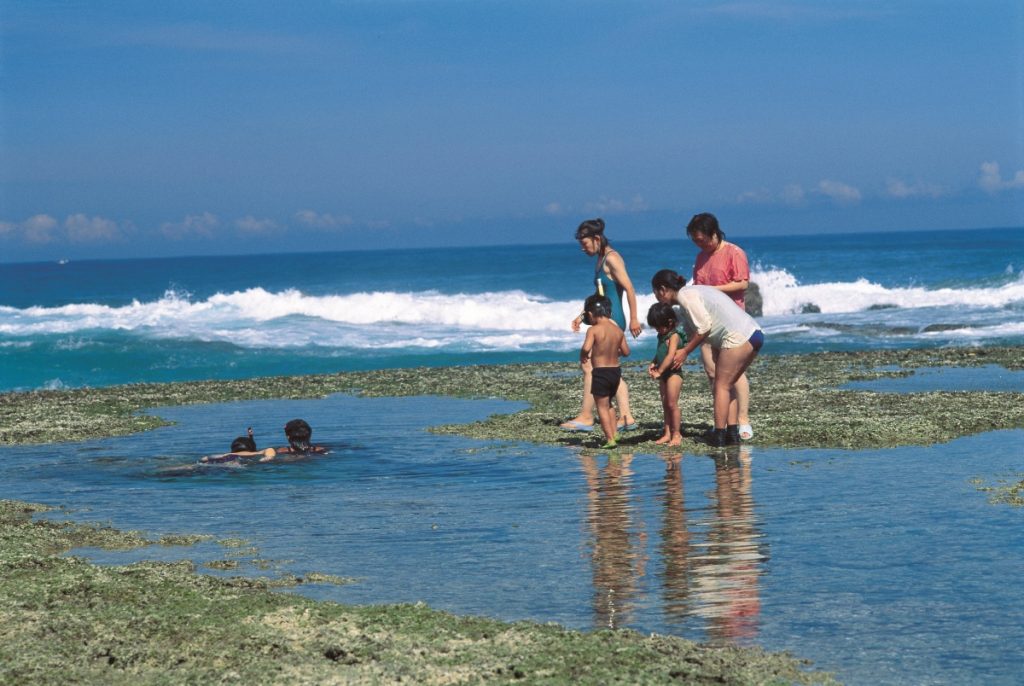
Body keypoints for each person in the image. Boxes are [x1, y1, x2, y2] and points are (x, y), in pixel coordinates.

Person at [651, 269, 764, 447]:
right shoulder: (690, 296)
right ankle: (732, 435)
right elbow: (686, 332)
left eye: (655, 293)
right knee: (728, 385)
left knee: (720, 386)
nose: (657, 298)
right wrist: (659, 360)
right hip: (754, 333)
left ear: (663, 289)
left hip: (738, 336)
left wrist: (686, 351)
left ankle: (719, 436)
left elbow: (704, 327)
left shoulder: (686, 297)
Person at [561, 218, 642, 433]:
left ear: (597, 239)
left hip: (613, 319)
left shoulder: (612, 259)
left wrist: (634, 318)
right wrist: (582, 316)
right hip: (604, 317)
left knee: (590, 366)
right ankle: (626, 416)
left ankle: (587, 416)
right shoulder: (600, 259)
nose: (582, 248)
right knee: (608, 369)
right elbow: (600, 297)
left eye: (585, 243)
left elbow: (630, 289)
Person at [687, 212, 755, 441]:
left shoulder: (734, 252)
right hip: (707, 323)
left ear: (713, 233)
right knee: (712, 373)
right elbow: (697, 287)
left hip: (732, 321)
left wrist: (714, 290)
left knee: (733, 374)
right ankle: (723, 421)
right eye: (695, 240)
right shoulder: (700, 258)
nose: (699, 244)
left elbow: (743, 283)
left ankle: (742, 420)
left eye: (701, 239)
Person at [579, 294, 631, 449]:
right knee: (609, 404)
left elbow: (587, 347)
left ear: (590, 315)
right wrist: (614, 351)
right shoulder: (617, 330)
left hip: (601, 372)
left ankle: (610, 439)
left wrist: (583, 355)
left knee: (601, 406)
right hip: (615, 372)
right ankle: (614, 433)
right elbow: (626, 352)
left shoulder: (593, 330)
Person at [646, 303, 685, 446]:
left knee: (672, 404)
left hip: (674, 373)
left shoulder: (674, 336)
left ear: (669, 322)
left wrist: (660, 372)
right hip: (663, 374)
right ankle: (667, 433)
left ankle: (676, 434)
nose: (657, 330)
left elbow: (670, 356)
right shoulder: (661, 335)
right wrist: (654, 363)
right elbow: (660, 353)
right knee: (665, 404)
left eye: (658, 326)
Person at [200, 426, 276, 463]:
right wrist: (267, 458)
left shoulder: (228, 454)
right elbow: (270, 450)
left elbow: (204, 458)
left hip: (228, 460)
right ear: (251, 447)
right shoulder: (256, 453)